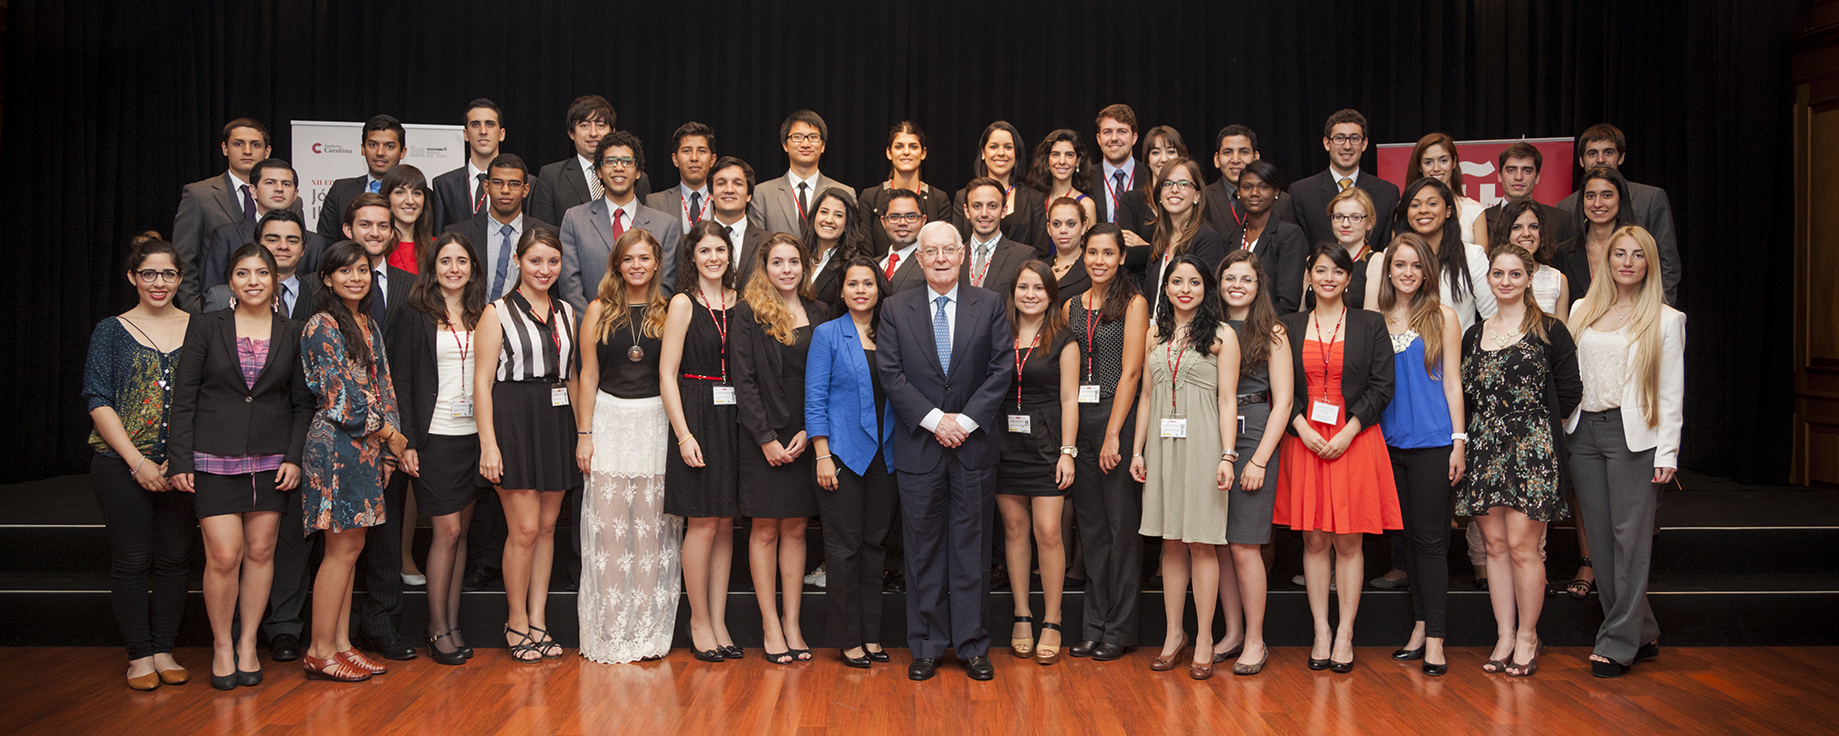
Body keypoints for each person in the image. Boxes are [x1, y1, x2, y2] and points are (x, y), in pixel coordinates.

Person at [168, 243, 313, 690]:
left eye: (262, 273)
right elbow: (184, 397)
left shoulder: (293, 331)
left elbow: (302, 404)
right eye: (243, 273)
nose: (253, 281)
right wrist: (180, 458)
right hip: (212, 457)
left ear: (275, 281)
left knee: (262, 552)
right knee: (224, 555)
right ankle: (221, 645)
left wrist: (294, 457)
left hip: (272, 461)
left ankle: (248, 643)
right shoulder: (206, 325)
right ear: (230, 281)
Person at [878, 221, 1016, 682]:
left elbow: (1001, 369)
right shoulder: (896, 308)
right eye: (931, 251)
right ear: (918, 258)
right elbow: (891, 373)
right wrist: (937, 421)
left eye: (948, 250)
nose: (940, 258)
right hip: (920, 447)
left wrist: (965, 422)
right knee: (922, 550)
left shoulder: (989, 304)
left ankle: (973, 646)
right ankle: (926, 646)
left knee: (972, 549)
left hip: (974, 448)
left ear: (962, 255)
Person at [1564, 226, 1684, 679]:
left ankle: (1617, 643)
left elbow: (1671, 391)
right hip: (1583, 434)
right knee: (1599, 540)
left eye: (1637, 255)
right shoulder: (1582, 309)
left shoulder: (1666, 319)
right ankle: (1642, 630)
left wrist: (1667, 453)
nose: (1627, 262)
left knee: (1629, 541)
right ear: (1607, 260)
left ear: (1649, 263)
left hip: (1632, 436)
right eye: (1619, 253)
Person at [1275, 244, 1400, 673]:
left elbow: (1382, 386)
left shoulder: (1370, 323)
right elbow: (1279, 386)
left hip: (1355, 438)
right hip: (1304, 439)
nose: (1328, 278)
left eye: (1338, 272)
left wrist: (1348, 430)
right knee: (1314, 539)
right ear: (1309, 276)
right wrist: (1301, 428)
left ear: (1349, 279)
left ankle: (1345, 632)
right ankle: (1321, 631)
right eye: (1321, 270)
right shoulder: (1288, 326)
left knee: (1348, 540)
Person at [1460, 244, 1582, 678]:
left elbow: (1571, 391)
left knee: (1522, 547)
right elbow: (1466, 396)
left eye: (1515, 274)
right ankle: (1505, 634)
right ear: (1488, 279)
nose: (1506, 281)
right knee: (1494, 546)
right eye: (1498, 274)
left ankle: (1528, 636)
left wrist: (1534, 430)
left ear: (1530, 278)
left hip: (1531, 448)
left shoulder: (1550, 330)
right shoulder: (1474, 334)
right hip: (1484, 447)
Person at [84, 234, 195, 690]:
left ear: (180, 278)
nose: (158, 282)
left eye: (168, 274)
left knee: (174, 559)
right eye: (148, 273)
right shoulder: (111, 330)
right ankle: (139, 656)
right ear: (133, 277)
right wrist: (137, 462)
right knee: (131, 559)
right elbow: (98, 399)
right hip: (120, 463)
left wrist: (179, 459)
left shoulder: (201, 327)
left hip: (182, 467)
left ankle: (164, 649)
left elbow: (209, 398)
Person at [297, 241, 409, 682]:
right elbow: (340, 397)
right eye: (345, 271)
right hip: (336, 448)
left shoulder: (367, 323)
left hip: (368, 448)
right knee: (340, 550)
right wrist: (389, 434)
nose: (356, 278)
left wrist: (388, 449)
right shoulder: (321, 325)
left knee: (351, 549)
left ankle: (341, 645)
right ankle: (319, 651)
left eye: (362, 269)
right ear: (327, 279)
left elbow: (385, 386)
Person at [572, 228, 682, 663]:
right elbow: (588, 375)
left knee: (653, 532)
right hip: (609, 420)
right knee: (611, 531)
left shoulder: (669, 310)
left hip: (655, 421)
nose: (637, 266)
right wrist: (584, 434)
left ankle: (646, 631)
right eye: (629, 258)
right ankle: (611, 631)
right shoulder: (598, 309)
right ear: (617, 264)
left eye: (644, 258)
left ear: (657, 264)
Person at [474, 228, 581, 663]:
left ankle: (538, 620)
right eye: (536, 260)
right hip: (513, 418)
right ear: (518, 261)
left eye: (553, 261)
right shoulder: (496, 312)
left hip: (557, 420)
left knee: (547, 529)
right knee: (523, 530)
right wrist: (488, 444)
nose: (544, 269)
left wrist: (582, 433)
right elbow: (481, 383)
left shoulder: (567, 311)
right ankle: (516, 622)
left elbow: (572, 377)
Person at [1131, 255, 1240, 680]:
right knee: (1171, 543)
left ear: (1205, 288)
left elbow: (1227, 400)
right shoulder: (1154, 332)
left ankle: (1206, 639)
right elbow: (1145, 396)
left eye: (1194, 282)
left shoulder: (1222, 334)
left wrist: (1228, 455)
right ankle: (1174, 634)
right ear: (1166, 287)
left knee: (1201, 542)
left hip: (1204, 444)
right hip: (1162, 445)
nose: (1185, 289)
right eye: (1177, 281)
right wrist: (1138, 451)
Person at [387, 233, 491, 665]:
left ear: (473, 268)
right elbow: (401, 379)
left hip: (474, 437)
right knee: (445, 531)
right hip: (434, 439)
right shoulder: (414, 313)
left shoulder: (483, 313)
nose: (453, 269)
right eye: (445, 261)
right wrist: (407, 442)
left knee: (462, 532)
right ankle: (435, 626)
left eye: (462, 261)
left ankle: (452, 622)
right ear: (432, 267)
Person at [732, 233, 831, 663]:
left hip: (806, 433)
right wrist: (765, 438)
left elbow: (827, 377)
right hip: (763, 435)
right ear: (764, 267)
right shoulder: (748, 311)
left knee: (795, 529)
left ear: (804, 266)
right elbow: (743, 380)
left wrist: (812, 430)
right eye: (778, 262)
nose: (786, 269)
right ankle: (770, 625)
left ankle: (793, 623)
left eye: (794, 261)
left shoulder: (820, 311)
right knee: (765, 529)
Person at [1372, 234, 1467, 677]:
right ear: (1388, 271)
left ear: (1427, 271)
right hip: (1388, 445)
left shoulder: (1443, 316)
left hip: (1433, 443)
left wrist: (1459, 441)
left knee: (1430, 542)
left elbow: (1452, 383)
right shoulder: (1375, 321)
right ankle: (1419, 626)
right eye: (1399, 265)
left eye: (1415, 265)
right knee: (1407, 540)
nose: (1407, 273)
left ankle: (1436, 639)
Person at [807, 257, 900, 667]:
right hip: (842, 455)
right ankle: (848, 640)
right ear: (841, 291)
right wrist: (822, 455)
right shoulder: (827, 334)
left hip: (887, 456)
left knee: (874, 547)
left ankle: (871, 636)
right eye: (853, 284)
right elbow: (815, 399)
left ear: (879, 289)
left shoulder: (893, 334)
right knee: (843, 549)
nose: (861, 290)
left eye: (868, 283)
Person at [659, 220, 743, 661]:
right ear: (692, 257)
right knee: (703, 522)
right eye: (705, 250)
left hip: (733, 415)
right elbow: (666, 374)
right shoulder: (682, 303)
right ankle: (698, 620)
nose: (714, 257)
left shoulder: (740, 301)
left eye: (720, 250)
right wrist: (683, 434)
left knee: (726, 521)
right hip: (696, 411)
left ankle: (720, 619)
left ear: (730, 254)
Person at [338, 193, 418, 661]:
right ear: (348, 230)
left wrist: (398, 437)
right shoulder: (319, 288)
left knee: (386, 537)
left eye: (383, 225)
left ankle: (383, 623)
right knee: (338, 542)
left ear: (393, 232)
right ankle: (338, 631)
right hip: (339, 434)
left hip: (392, 432)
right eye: (365, 224)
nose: (374, 232)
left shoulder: (411, 286)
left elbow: (409, 367)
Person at [1063, 225, 1148, 663]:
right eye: (1093, 252)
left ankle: (1120, 629)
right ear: (1083, 256)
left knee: (1121, 529)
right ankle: (1093, 626)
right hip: (1081, 419)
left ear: (1121, 258)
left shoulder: (1133, 303)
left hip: (1118, 418)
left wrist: (1115, 432)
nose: (1099, 261)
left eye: (1108, 253)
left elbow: (1132, 372)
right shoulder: (1071, 305)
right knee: (1092, 530)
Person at [1211, 250, 1293, 676]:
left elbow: (1285, 402)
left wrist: (1259, 459)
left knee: (1245, 544)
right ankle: (1232, 633)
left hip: (1255, 433)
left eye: (1246, 278)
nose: (1237, 285)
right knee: (1221, 544)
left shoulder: (1273, 331)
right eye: (1230, 278)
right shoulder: (1209, 327)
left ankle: (1256, 640)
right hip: (1212, 433)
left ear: (1259, 285)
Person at [995, 261, 1079, 665]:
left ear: (1051, 295)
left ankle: (1053, 617)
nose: (1030, 295)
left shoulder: (1064, 339)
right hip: (1004, 444)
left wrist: (1067, 451)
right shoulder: (998, 334)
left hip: (1047, 446)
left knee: (1047, 531)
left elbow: (1069, 399)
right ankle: (1022, 614)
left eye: (1039, 289)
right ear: (1013, 292)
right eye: (1023, 287)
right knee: (1014, 530)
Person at [1555, 124, 1681, 303]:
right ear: (1581, 161)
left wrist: (1658, 310)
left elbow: (1667, 265)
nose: (1600, 160)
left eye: (1608, 152)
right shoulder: (1565, 206)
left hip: (1639, 307)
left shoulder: (1650, 198)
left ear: (1621, 157)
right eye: (1592, 153)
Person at [558, 131, 681, 310]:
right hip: (591, 324)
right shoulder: (575, 219)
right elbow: (570, 287)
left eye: (627, 161)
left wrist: (639, 324)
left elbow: (664, 287)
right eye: (610, 161)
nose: (618, 168)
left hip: (647, 324)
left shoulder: (666, 225)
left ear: (638, 172)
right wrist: (593, 322)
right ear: (598, 172)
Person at [174, 118, 276, 310]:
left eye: (255, 145)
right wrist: (194, 308)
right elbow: (183, 258)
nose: (247, 151)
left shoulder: (287, 199)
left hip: (273, 311)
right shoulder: (199, 195)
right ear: (225, 148)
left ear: (267, 151)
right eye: (238, 144)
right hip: (217, 309)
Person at [1370, 178, 1495, 332]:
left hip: (1458, 346)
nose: (1423, 210)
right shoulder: (1391, 255)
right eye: (1415, 205)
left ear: (1448, 211)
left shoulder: (1472, 256)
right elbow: (1378, 312)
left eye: (1432, 203)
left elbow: (1492, 317)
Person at [201, 159, 327, 295]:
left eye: (286, 184)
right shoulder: (226, 236)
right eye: (270, 183)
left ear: (295, 194)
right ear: (253, 191)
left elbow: (322, 295)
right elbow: (212, 292)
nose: (279, 189)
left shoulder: (316, 243)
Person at [444, 154, 556, 301]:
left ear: (525, 190)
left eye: (514, 184)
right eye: (497, 183)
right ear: (486, 186)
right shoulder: (459, 233)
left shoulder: (548, 234)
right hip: (473, 315)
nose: (505, 190)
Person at [1289, 109, 1400, 254]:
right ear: (1327, 143)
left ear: (1364, 144)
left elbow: (1389, 250)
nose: (1347, 146)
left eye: (1354, 138)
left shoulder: (1387, 193)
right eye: (1340, 138)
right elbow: (1298, 252)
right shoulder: (1302, 193)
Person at [530, 95, 652, 227]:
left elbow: (646, 226)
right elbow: (544, 232)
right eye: (584, 125)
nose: (593, 133)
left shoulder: (635, 177)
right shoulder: (551, 176)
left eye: (600, 125)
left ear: (612, 131)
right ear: (571, 133)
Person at [750, 110, 855, 237]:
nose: (805, 144)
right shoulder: (762, 194)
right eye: (797, 137)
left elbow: (851, 241)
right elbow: (758, 244)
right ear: (785, 145)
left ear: (823, 146)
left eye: (813, 137)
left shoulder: (845, 192)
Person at [1141, 157, 1227, 311]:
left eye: (1183, 184)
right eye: (1167, 184)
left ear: (1197, 196)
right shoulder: (1159, 238)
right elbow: (1149, 294)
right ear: (1159, 195)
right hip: (1156, 324)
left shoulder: (1206, 238)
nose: (1174, 189)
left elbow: (1209, 298)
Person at [1222, 160, 1306, 314]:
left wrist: (1254, 324)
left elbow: (1288, 303)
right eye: (1247, 187)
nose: (1254, 193)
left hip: (1271, 325)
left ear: (1276, 193)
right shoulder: (1230, 238)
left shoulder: (1289, 235)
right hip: (1231, 323)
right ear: (1238, 193)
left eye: (1263, 187)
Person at [202, 210, 321, 318]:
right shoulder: (222, 298)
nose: (283, 246)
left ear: (303, 249)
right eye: (273, 240)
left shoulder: (319, 296)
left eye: (292, 241)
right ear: (257, 244)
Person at [953, 122, 1046, 255]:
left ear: (1016, 154)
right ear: (983, 153)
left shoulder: (1034, 199)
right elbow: (956, 246)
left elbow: (1041, 253)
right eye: (994, 147)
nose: (1001, 153)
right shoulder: (962, 196)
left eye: (1008, 147)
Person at [860, 122, 952, 255]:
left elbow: (943, 250)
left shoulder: (939, 200)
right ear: (889, 153)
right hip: (878, 268)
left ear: (923, 153)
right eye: (899, 147)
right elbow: (865, 254)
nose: (906, 152)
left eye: (913, 147)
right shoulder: (870, 198)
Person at [1557, 166, 1638, 311]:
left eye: (1607, 195)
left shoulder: (1639, 248)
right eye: (1590, 196)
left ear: (1620, 199)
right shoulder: (1562, 252)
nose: (1597, 203)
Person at [316, 115, 405, 241]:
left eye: (389, 146)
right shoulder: (340, 191)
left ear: (402, 152)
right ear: (363, 149)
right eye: (373, 145)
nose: (380, 152)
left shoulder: (419, 196)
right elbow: (325, 243)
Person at [1205, 125, 1298, 237]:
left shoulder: (1281, 201)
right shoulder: (1203, 198)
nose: (1235, 160)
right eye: (1228, 152)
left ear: (1256, 158)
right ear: (1217, 159)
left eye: (1244, 152)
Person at [431, 99, 507, 232]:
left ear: (501, 134)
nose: (483, 131)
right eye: (475, 124)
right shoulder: (444, 185)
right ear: (465, 134)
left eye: (489, 124)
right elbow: (439, 238)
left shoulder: (526, 183)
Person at [1483, 141, 1576, 247]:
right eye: (1511, 170)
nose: (1518, 177)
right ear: (1500, 176)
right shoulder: (1481, 220)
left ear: (1537, 177)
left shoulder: (1561, 220)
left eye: (1526, 171)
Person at [1492, 198, 1570, 320]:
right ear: (1505, 232)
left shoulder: (1558, 280)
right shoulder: (1493, 277)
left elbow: (1562, 329)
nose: (1526, 233)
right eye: (1517, 227)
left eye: (1533, 227)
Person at [1405, 133, 1490, 245]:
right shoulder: (1406, 208)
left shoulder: (1473, 209)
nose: (1436, 168)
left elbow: (1481, 253)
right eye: (1428, 162)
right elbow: (1397, 250)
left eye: (1443, 161)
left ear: (1454, 162)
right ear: (1419, 167)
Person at [962, 177, 1037, 296]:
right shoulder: (953, 255)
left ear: (1003, 211)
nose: (984, 214)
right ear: (967, 211)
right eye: (977, 206)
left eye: (992, 206)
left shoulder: (1023, 256)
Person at [803, 187, 873, 309]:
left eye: (838, 215)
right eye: (824, 212)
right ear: (814, 216)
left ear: (847, 225)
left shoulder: (851, 265)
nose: (829, 220)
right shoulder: (799, 255)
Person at [644, 122, 718, 236]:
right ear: (675, 159)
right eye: (687, 151)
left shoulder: (724, 199)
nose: (694, 157)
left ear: (712, 160)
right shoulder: (655, 203)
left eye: (702, 151)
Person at [709, 156, 772, 288]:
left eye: (737, 183)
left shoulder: (768, 243)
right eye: (721, 183)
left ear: (749, 195)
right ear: (711, 194)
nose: (729, 190)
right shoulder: (690, 242)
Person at [1313, 188, 1380, 312]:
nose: (1345, 224)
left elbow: (1370, 319)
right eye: (1339, 216)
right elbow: (1301, 313)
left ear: (1370, 222)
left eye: (1355, 217)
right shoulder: (1314, 260)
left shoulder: (1376, 262)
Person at [1093, 104, 1153, 241]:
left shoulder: (1150, 177)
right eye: (1107, 132)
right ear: (1098, 138)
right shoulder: (1084, 178)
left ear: (1134, 138)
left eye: (1122, 131)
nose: (1114, 138)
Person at [1024, 129, 1097, 226]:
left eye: (1069, 155)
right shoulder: (1033, 200)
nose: (1062, 161)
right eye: (1055, 154)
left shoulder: (1086, 204)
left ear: (1078, 161)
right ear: (1047, 160)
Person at [379, 164, 434, 275]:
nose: (410, 201)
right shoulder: (376, 246)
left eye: (416, 193)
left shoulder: (437, 247)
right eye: (400, 192)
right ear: (387, 198)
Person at [877, 188, 930, 294]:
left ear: (923, 221)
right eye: (894, 217)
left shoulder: (930, 264)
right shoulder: (874, 265)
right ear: (883, 222)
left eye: (910, 216)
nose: (902, 223)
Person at [1046, 200, 1094, 303]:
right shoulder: (1041, 266)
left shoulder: (1093, 267)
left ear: (1083, 227)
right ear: (1049, 228)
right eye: (1056, 224)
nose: (1063, 230)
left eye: (1071, 224)